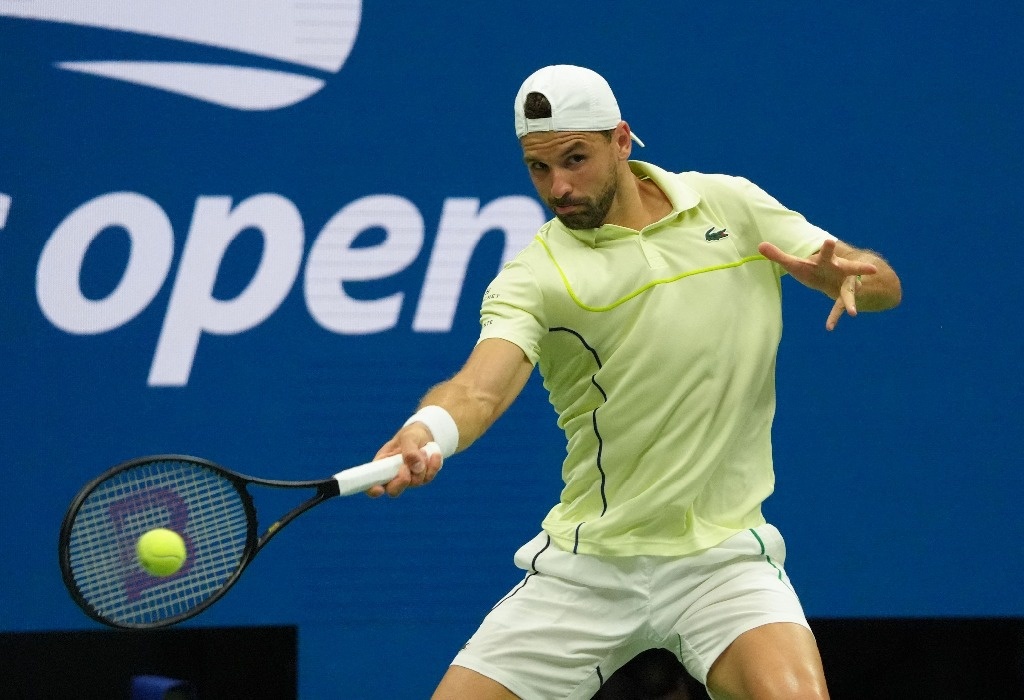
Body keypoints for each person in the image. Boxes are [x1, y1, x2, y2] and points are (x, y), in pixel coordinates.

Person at [369, 64, 902, 700]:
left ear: (622, 140)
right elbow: (479, 390)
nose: (558, 186)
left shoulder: (730, 207)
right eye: (539, 168)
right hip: (590, 568)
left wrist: (852, 279)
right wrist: (425, 429)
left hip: (722, 560)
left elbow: (878, 284)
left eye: (575, 159)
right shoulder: (536, 275)